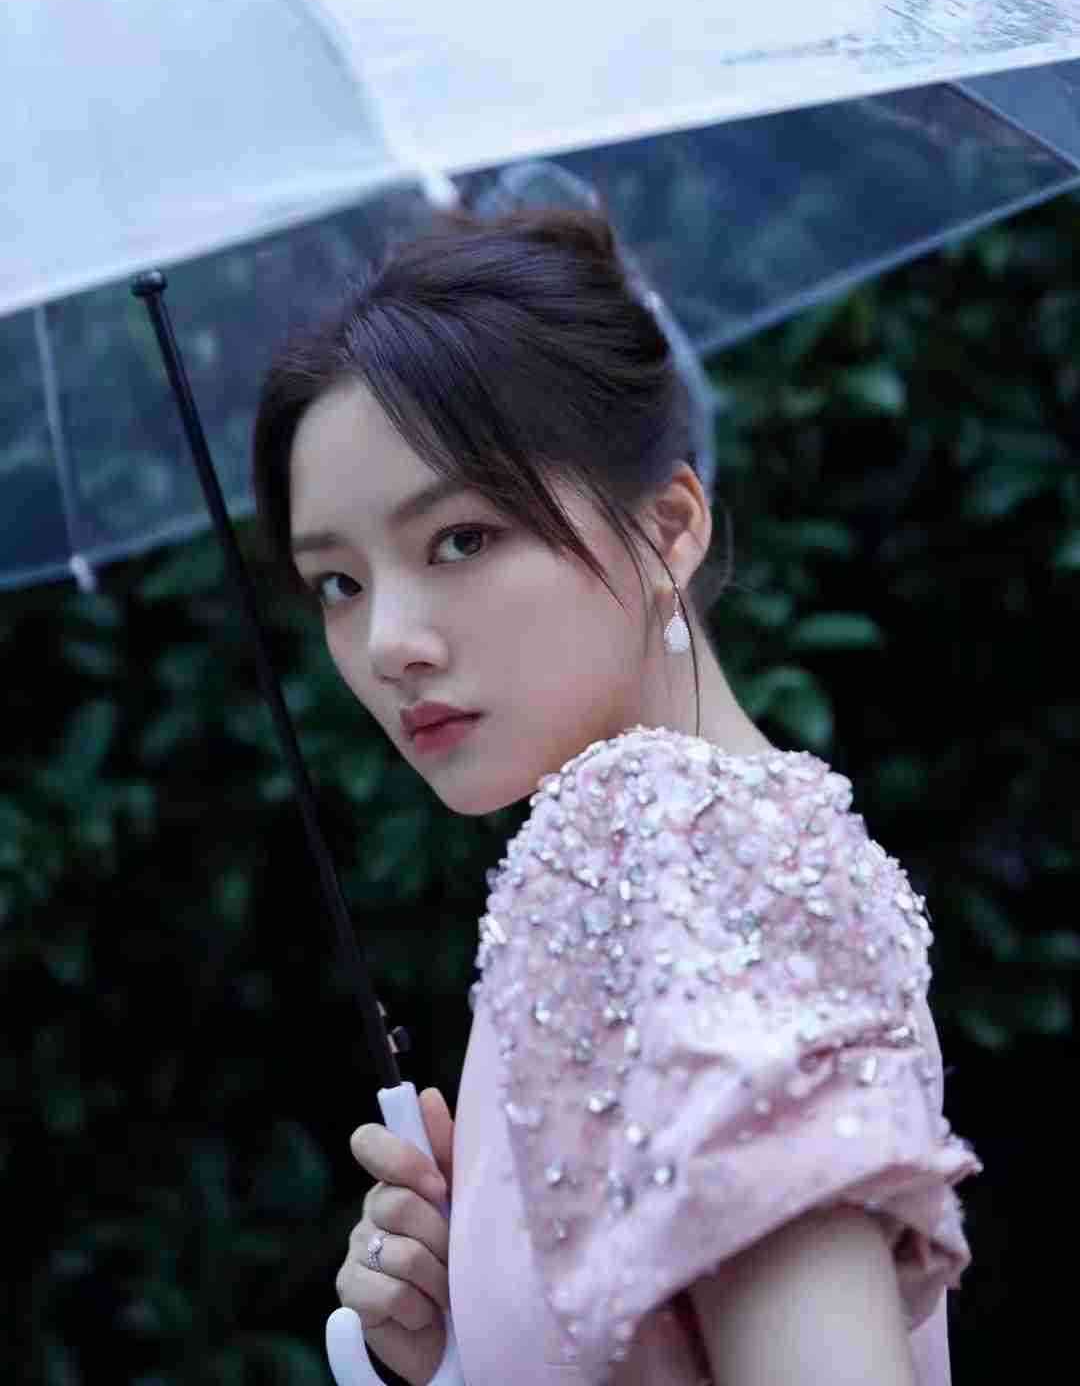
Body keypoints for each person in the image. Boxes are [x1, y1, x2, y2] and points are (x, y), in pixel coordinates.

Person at [252, 202, 980, 1386]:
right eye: (336, 581)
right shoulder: (738, 840)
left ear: (668, 525)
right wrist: (453, 1353)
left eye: (460, 538)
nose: (387, 642)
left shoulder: (659, 845)